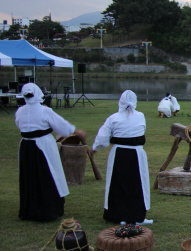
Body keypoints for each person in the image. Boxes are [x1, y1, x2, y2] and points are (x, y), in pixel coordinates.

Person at [15, 83, 86, 221]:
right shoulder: (44, 111)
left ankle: (30, 209)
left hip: (26, 146)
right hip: (43, 145)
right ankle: (48, 210)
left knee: (30, 175)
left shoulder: (20, 111)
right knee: (47, 174)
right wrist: (75, 131)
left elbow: (20, 126)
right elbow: (62, 127)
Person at [92, 90, 151, 224]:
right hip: (136, 154)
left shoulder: (113, 118)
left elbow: (102, 139)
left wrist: (95, 148)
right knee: (137, 183)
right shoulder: (140, 116)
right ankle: (134, 214)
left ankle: (120, 214)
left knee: (120, 182)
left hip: (120, 154)